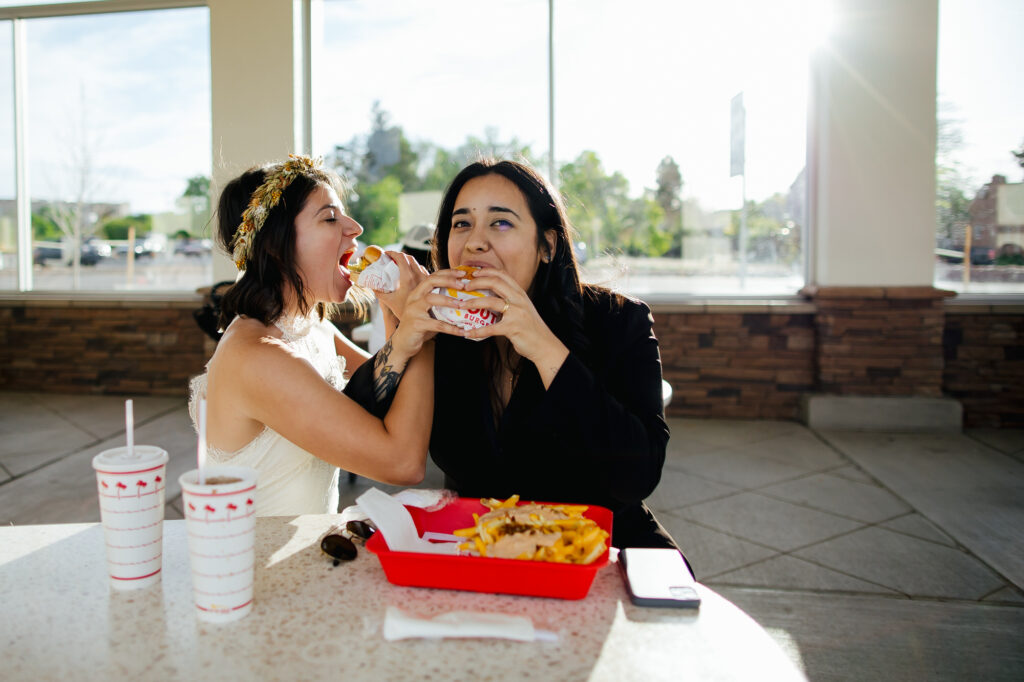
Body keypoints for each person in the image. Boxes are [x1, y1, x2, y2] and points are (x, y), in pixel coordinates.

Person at [428, 159, 680, 553]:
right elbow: (386, 445)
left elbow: (636, 475)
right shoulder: (443, 331)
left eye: (500, 222)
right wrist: (402, 333)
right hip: (487, 558)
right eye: (462, 224)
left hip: (602, 556)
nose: (475, 241)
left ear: (547, 245)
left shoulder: (618, 321)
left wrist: (544, 347)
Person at [188, 155, 463, 515]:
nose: (354, 227)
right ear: (276, 244)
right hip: (250, 564)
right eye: (330, 218)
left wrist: (398, 313)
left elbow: (390, 393)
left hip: (311, 550)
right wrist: (419, 323)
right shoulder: (256, 356)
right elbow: (401, 463)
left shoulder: (310, 325)